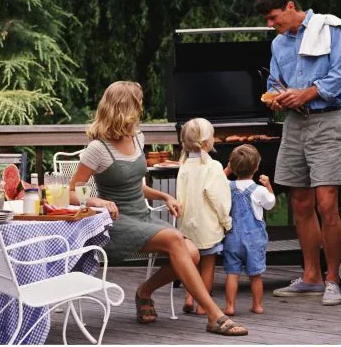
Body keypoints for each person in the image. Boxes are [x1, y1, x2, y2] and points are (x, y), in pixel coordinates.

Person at [69, 82, 247, 336]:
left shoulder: (137, 137)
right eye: (138, 102)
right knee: (176, 239)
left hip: (141, 216)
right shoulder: (98, 149)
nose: (142, 108)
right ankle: (213, 315)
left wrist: (164, 195)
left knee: (193, 252)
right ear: (126, 107)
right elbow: (72, 192)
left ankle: (144, 292)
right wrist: (96, 201)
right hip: (114, 223)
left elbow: (134, 185)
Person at [254, 0, 341, 306]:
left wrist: (307, 92)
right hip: (294, 124)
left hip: (327, 119)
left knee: (327, 204)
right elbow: (275, 81)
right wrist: (276, 97)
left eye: (274, 18)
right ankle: (311, 276)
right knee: (299, 202)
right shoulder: (277, 44)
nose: (271, 25)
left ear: (289, 6)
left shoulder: (330, 28)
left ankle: (332, 280)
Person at [175, 117, 233, 316]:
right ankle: (202, 305)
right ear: (208, 142)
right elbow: (219, 198)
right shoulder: (213, 167)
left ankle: (189, 297)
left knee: (191, 264)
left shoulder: (183, 165)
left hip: (187, 226)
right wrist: (227, 221)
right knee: (208, 265)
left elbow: (179, 196)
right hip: (207, 227)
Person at [222, 144, 276, 316]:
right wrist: (268, 185)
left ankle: (230, 306)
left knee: (232, 274)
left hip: (232, 238)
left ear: (232, 166)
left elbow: (217, 181)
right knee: (255, 275)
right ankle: (257, 305)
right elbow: (271, 203)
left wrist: (228, 169)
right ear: (257, 166)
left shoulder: (227, 186)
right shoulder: (259, 190)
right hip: (254, 240)